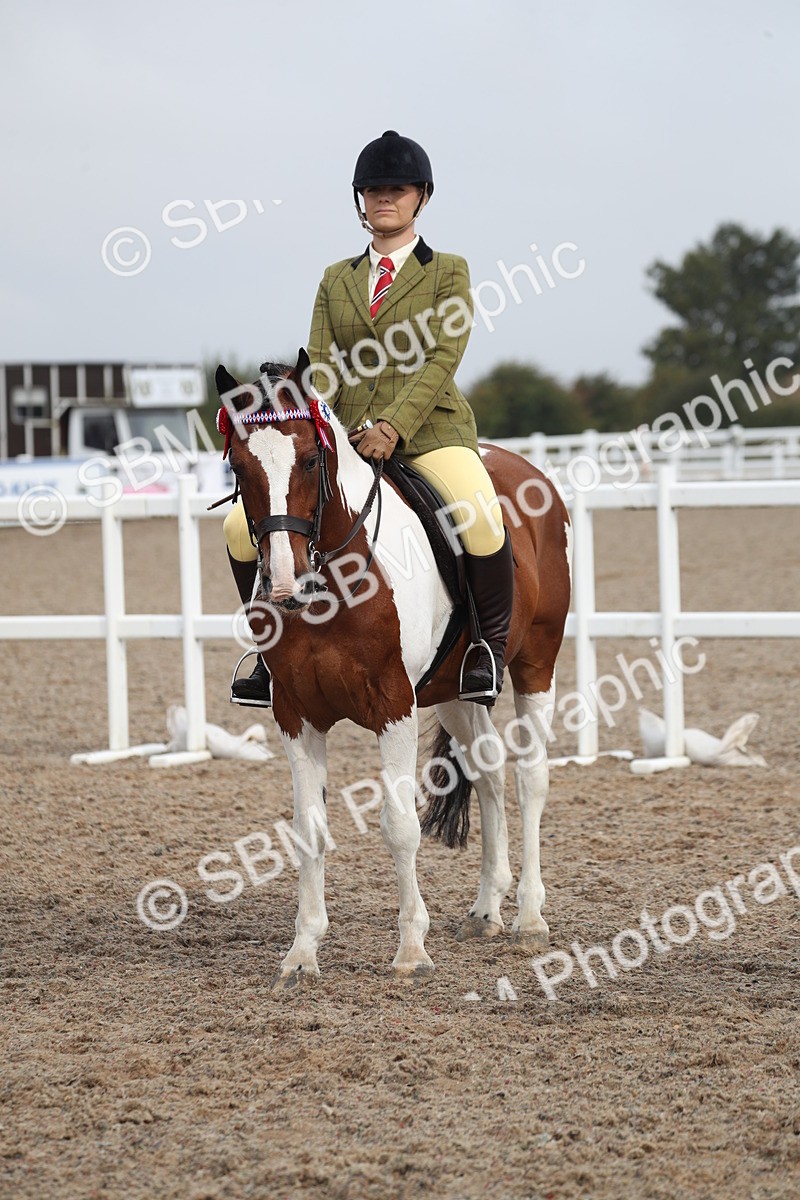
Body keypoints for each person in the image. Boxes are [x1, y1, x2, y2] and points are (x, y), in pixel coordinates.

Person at [224, 130, 513, 708]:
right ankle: (268, 646)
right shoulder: (336, 279)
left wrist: (395, 427)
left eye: (397, 190)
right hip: (349, 440)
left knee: (482, 516)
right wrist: (317, 421)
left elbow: (442, 358)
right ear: (361, 199)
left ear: (421, 198)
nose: (386, 199)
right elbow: (321, 365)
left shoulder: (448, 271)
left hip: (431, 433)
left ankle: (486, 649)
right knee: (238, 527)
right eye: (374, 190)